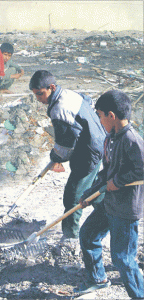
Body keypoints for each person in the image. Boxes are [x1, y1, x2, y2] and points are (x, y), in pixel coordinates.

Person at [76, 90, 144, 298]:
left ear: (111, 116)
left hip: (124, 208)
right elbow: (106, 171)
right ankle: (98, 279)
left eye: (99, 115)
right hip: (108, 202)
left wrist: (119, 182)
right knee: (88, 235)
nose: (99, 119)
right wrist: (91, 193)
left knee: (123, 258)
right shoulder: (110, 138)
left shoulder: (132, 140)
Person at [29, 70, 106, 248]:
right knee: (93, 188)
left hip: (88, 152)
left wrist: (55, 157)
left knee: (73, 196)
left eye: (40, 93)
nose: (39, 98)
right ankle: (109, 217)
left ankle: (70, 238)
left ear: (52, 87)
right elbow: (88, 100)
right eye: (35, 94)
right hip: (98, 142)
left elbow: (65, 145)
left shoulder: (59, 109)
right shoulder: (69, 94)